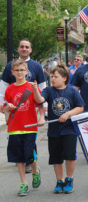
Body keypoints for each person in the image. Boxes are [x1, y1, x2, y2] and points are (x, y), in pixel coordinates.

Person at [31, 63, 84, 194]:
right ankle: (59, 181)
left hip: (69, 129)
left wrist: (67, 114)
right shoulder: (49, 90)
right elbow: (40, 100)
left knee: (70, 156)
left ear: (64, 78)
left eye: (56, 76)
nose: (53, 79)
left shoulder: (72, 91)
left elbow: (80, 107)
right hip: (54, 131)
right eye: (52, 76)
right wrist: (35, 89)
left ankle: (69, 179)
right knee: (56, 158)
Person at [0, 39, 46, 173]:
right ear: (18, 49)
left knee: (30, 137)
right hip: (12, 105)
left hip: (32, 106)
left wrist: (44, 108)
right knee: (15, 135)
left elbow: (43, 87)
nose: (24, 49)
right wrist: (3, 105)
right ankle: (21, 158)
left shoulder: (37, 66)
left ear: (30, 50)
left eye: (27, 47)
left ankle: (29, 161)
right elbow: (3, 87)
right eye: (22, 47)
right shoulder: (10, 66)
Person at [3, 59, 45, 196]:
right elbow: (3, 107)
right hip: (14, 127)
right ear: (12, 72)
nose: (20, 72)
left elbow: (40, 102)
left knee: (30, 156)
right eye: (17, 70)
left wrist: (41, 116)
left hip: (30, 127)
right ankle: (23, 183)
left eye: (22, 70)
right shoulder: (9, 89)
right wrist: (7, 107)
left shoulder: (31, 86)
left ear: (27, 72)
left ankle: (35, 171)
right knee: (18, 158)